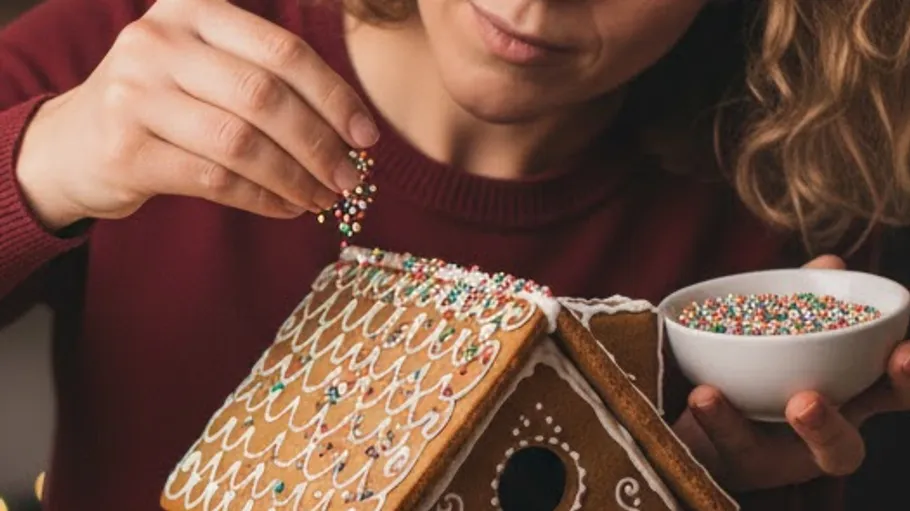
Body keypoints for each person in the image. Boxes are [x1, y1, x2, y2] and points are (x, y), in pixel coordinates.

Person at [1, 0, 909, 509]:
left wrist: (735, 487)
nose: (533, 4)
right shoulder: (137, 50)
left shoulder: (786, 190)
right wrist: (42, 164)